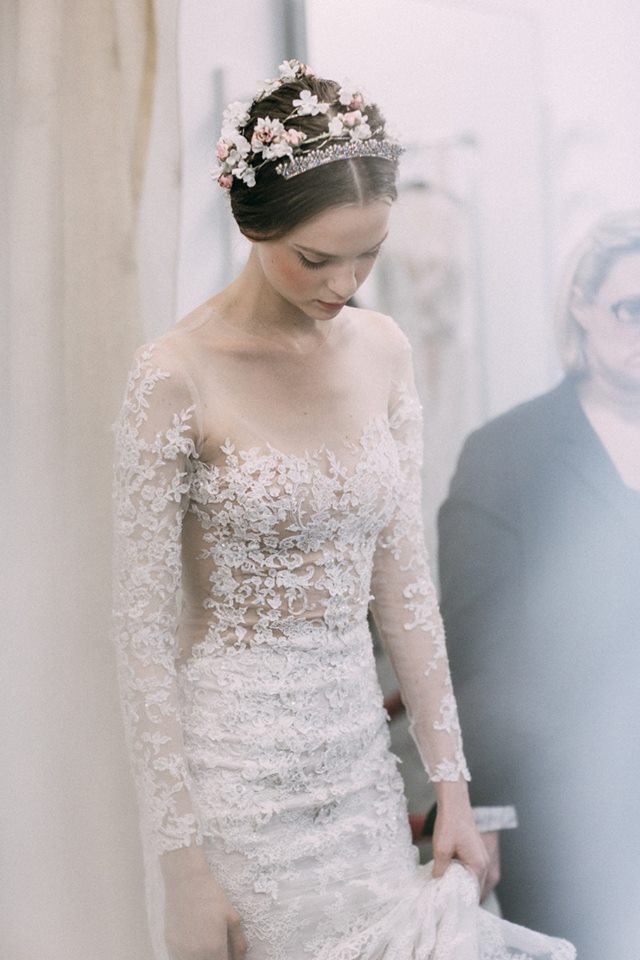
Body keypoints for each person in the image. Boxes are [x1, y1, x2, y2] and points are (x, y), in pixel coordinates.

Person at [113, 59, 574, 960]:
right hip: (236, 785)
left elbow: (405, 590)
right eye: (317, 259)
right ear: (251, 220)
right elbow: (139, 634)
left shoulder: (385, 350)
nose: (344, 282)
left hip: (360, 772)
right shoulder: (172, 375)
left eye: (370, 253)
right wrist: (183, 868)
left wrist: (452, 793)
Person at [438, 209, 640, 959]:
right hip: (568, 816)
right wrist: (486, 807)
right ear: (580, 305)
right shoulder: (507, 455)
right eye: (631, 308)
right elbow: (478, 656)